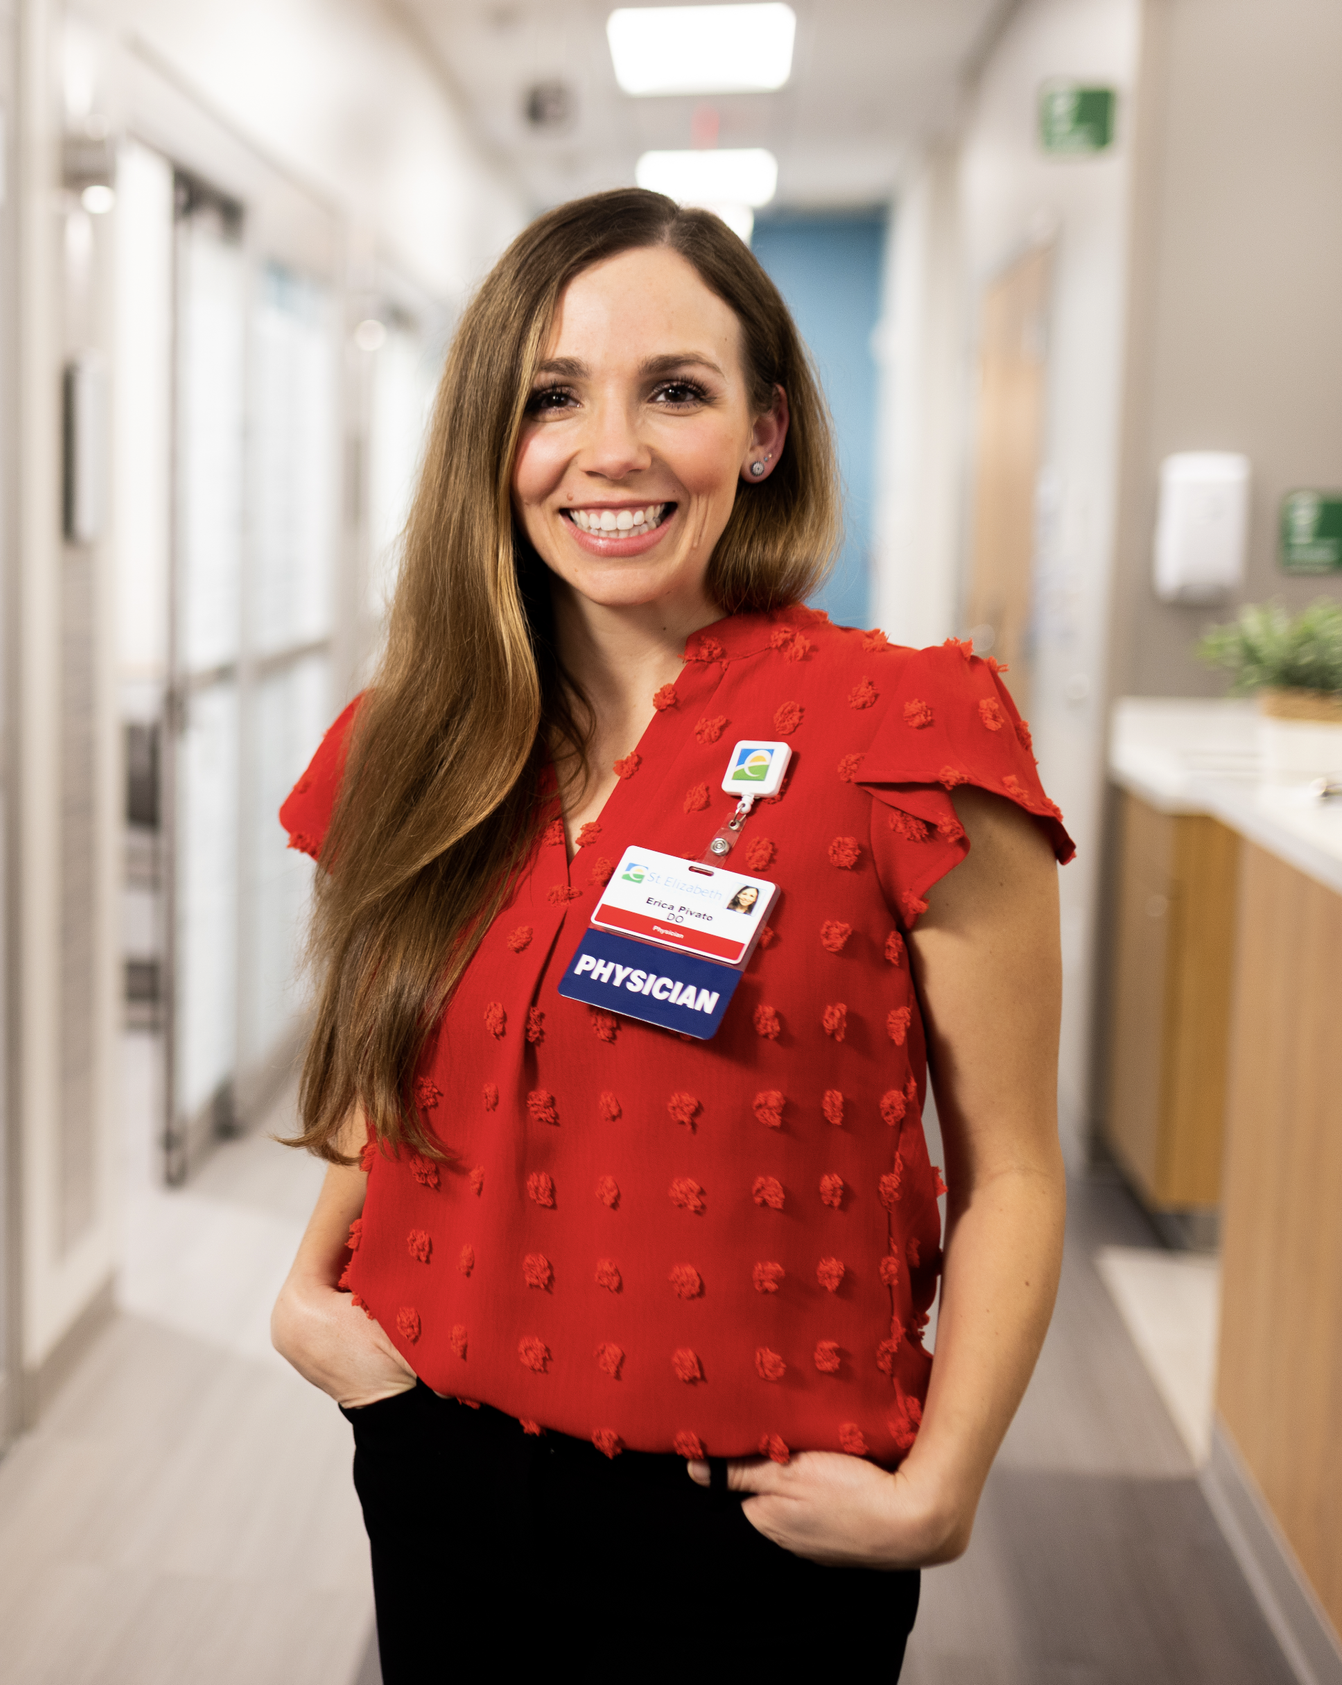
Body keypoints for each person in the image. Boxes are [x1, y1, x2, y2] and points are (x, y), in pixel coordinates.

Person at [267, 188, 1070, 1683]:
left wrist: (944, 1487)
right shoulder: (412, 744)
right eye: (552, 397)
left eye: (676, 392)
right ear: (491, 442)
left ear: (763, 430)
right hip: (431, 1459)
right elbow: (387, 1071)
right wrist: (315, 1300)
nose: (611, 449)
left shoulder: (906, 731)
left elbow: (1012, 1160)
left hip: (751, 1532)